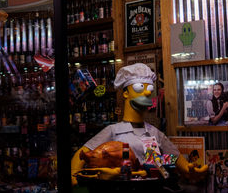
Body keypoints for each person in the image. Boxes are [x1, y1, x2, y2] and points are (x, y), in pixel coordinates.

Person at [71, 63, 208, 185]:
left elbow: (173, 156)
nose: (147, 92)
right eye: (140, 87)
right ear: (125, 93)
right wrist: (73, 175)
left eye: (149, 88)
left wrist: (189, 170)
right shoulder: (114, 130)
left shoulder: (154, 132)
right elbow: (83, 153)